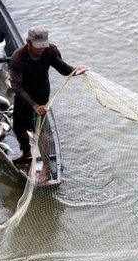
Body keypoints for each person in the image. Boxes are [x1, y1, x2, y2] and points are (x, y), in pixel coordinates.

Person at [8, 27, 88, 165]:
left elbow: (63, 69)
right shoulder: (17, 58)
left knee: (40, 129)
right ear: (28, 42)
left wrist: (75, 70)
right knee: (18, 128)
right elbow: (17, 87)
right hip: (24, 94)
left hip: (41, 92)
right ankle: (26, 153)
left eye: (43, 46)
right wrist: (33, 105)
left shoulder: (50, 50)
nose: (41, 50)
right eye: (37, 47)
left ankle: (46, 167)